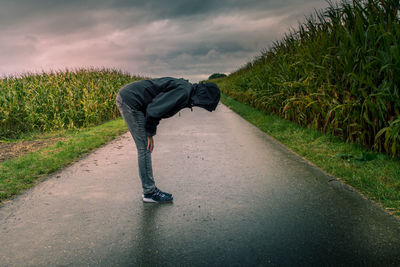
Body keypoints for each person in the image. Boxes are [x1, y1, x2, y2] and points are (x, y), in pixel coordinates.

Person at [116, 77, 221, 203]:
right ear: (204, 97)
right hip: (131, 101)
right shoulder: (183, 92)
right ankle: (149, 193)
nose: (201, 106)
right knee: (145, 147)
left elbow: (155, 105)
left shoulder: (186, 90)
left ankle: (149, 191)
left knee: (145, 146)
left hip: (134, 100)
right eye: (205, 104)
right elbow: (154, 110)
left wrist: (150, 131)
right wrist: (149, 133)